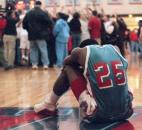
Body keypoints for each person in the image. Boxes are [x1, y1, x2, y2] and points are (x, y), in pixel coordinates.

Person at [34, 39, 133, 123]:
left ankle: (49, 104)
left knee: (68, 68)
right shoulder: (115, 49)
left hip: (98, 115)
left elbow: (66, 62)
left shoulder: (79, 52)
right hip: (127, 111)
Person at [23, 1, 52, 69]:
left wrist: (28, 29)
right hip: (42, 35)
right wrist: (46, 30)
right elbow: (49, 22)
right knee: (43, 49)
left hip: (32, 35)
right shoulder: (43, 13)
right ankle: (45, 64)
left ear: (34, 5)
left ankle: (34, 64)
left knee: (33, 49)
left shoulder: (29, 13)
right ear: (40, 5)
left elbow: (24, 23)